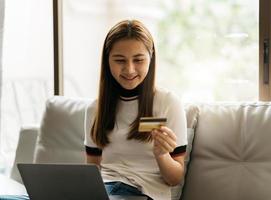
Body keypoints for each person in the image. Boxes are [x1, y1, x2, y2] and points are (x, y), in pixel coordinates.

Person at [0, 19, 187, 200]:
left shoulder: (168, 103)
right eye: (120, 60)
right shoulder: (96, 109)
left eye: (138, 60)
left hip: (142, 192)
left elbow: (175, 179)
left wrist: (161, 155)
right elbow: (93, 170)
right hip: (104, 189)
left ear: (151, 56)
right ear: (107, 61)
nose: (129, 69)